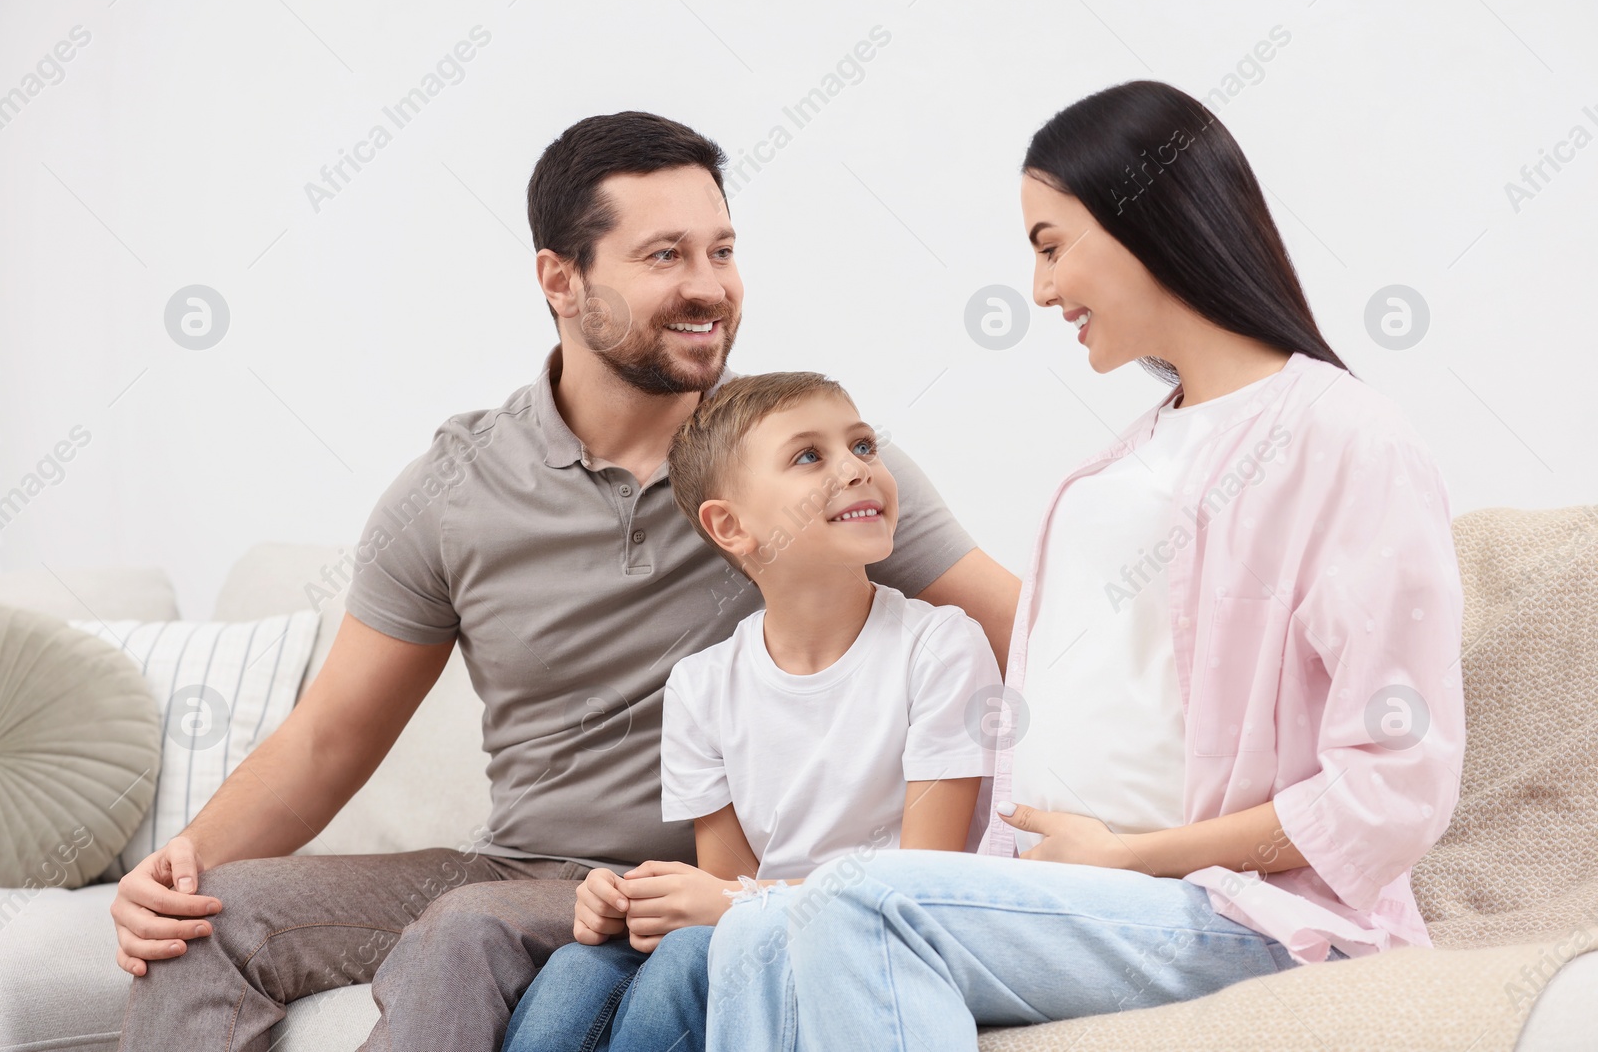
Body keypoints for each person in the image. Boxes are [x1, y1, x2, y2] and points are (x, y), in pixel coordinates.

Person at [109, 111, 1020, 1051]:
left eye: (722, 250)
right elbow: (330, 736)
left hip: (686, 881)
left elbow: (1021, 632)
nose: (708, 287)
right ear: (560, 279)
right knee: (202, 923)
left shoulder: (804, 469)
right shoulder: (455, 489)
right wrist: (181, 867)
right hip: (514, 870)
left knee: (467, 928)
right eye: (665, 255)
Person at [703, 79, 1467, 1051]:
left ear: (1147, 218)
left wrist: (1135, 854)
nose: (1040, 289)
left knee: (860, 897)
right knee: (753, 930)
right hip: (1075, 890)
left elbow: (1393, 783)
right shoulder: (1118, 463)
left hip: (1245, 912)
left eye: (1051, 244)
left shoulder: (1345, 439)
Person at [500, 371, 1000, 1052]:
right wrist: (630, 902)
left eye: (862, 446)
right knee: (572, 971)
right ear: (730, 526)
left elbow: (922, 884)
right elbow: (724, 879)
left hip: (878, 938)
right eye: (809, 456)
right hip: (759, 925)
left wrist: (735, 903)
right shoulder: (702, 686)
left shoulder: (940, 647)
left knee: (683, 963)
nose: (856, 469)